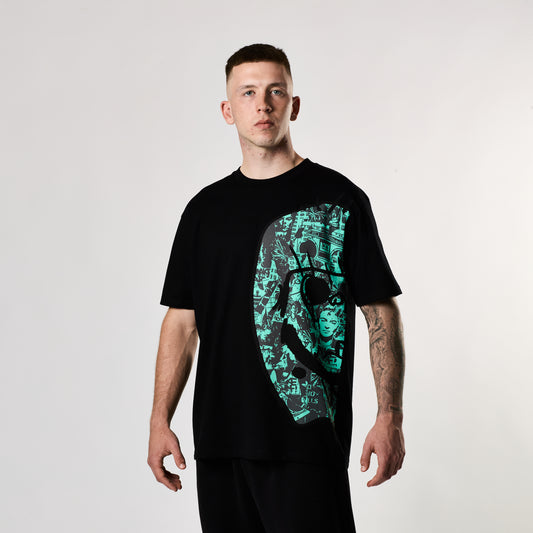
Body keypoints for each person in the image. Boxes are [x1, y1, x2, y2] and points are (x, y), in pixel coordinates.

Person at [148, 43, 406, 533]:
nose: (262, 104)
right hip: (220, 445)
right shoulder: (203, 212)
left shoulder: (339, 200)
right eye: (248, 93)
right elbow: (181, 322)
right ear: (228, 110)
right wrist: (160, 421)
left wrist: (388, 415)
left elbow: (380, 312)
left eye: (275, 91)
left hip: (307, 441)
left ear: (294, 104)